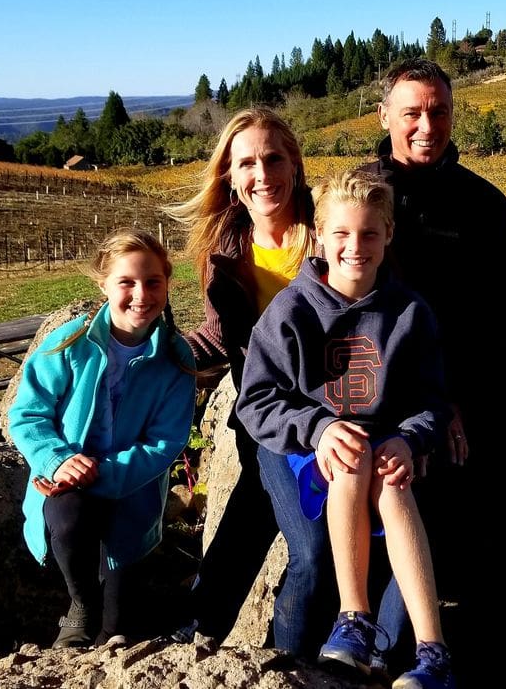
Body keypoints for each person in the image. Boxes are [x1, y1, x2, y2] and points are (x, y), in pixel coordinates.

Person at [359, 58, 506, 684]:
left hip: (467, 381)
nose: (426, 125)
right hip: (385, 390)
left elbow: (496, 314)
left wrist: (462, 396)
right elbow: (351, 309)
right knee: (409, 480)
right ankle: (383, 652)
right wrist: (430, 406)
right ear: (385, 116)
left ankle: (491, 646)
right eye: (411, 112)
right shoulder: (363, 195)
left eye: (437, 110)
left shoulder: (486, 204)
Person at [236, 170, 456, 688]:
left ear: (388, 236)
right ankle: (353, 619)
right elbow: (257, 401)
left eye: (369, 234)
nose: (355, 246)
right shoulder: (289, 310)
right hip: (314, 447)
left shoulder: (410, 313)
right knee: (351, 455)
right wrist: (317, 428)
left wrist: (412, 437)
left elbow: (432, 399)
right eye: (341, 234)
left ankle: (433, 651)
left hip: (384, 446)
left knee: (393, 481)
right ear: (318, 236)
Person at [162, 107, 328, 654]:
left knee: (289, 538)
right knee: (266, 527)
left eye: (274, 158)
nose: (263, 174)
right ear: (230, 178)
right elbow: (222, 336)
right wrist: (159, 352)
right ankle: (204, 636)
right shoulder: (225, 251)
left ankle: (283, 656)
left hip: (334, 413)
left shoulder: (329, 233)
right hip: (267, 415)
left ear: (296, 164)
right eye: (247, 163)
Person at [9, 228, 196, 648]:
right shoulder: (70, 343)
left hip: (131, 489)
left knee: (119, 629)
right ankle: (79, 602)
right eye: (126, 282)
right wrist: (57, 460)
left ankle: (110, 624)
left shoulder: (175, 358)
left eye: (153, 282)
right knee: (68, 516)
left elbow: (165, 442)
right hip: (67, 481)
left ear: (167, 282)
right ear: (104, 285)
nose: (141, 294)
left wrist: (100, 474)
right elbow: (27, 415)